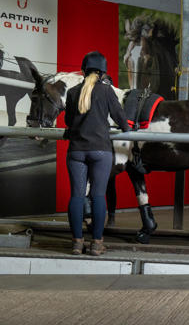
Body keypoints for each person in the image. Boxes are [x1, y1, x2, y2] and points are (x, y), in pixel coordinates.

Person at [64, 51, 130, 255]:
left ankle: (76, 243)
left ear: (84, 70)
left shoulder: (73, 92)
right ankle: (97, 244)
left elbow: (68, 121)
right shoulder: (107, 91)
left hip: (76, 151)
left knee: (76, 196)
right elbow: (120, 118)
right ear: (103, 72)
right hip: (100, 151)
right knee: (98, 195)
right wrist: (127, 128)